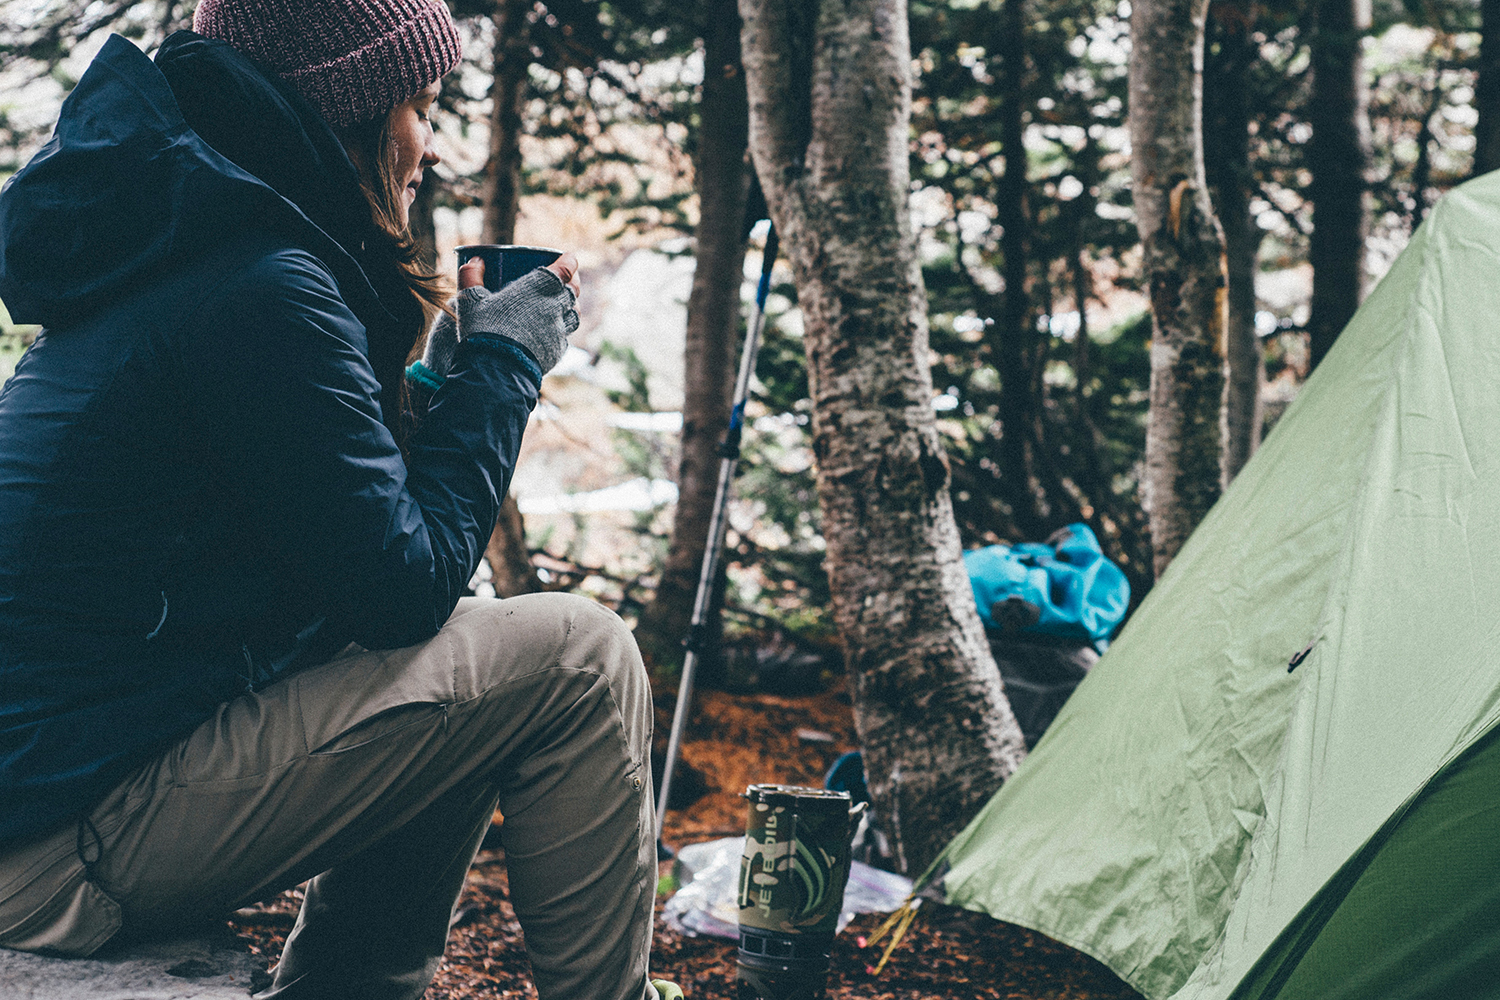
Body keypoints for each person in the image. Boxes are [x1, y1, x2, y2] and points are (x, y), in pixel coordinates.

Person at [0, 3, 675, 998]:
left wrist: (442, 387)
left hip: (48, 796)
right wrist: (503, 368)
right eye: (419, 109)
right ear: (345, 112)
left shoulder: (188, 248)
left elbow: (356, 568)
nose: (429, 149)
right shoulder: (261, 284)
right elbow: (396, 589)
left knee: (458, 662)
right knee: (581, 657)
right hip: (54, 846)